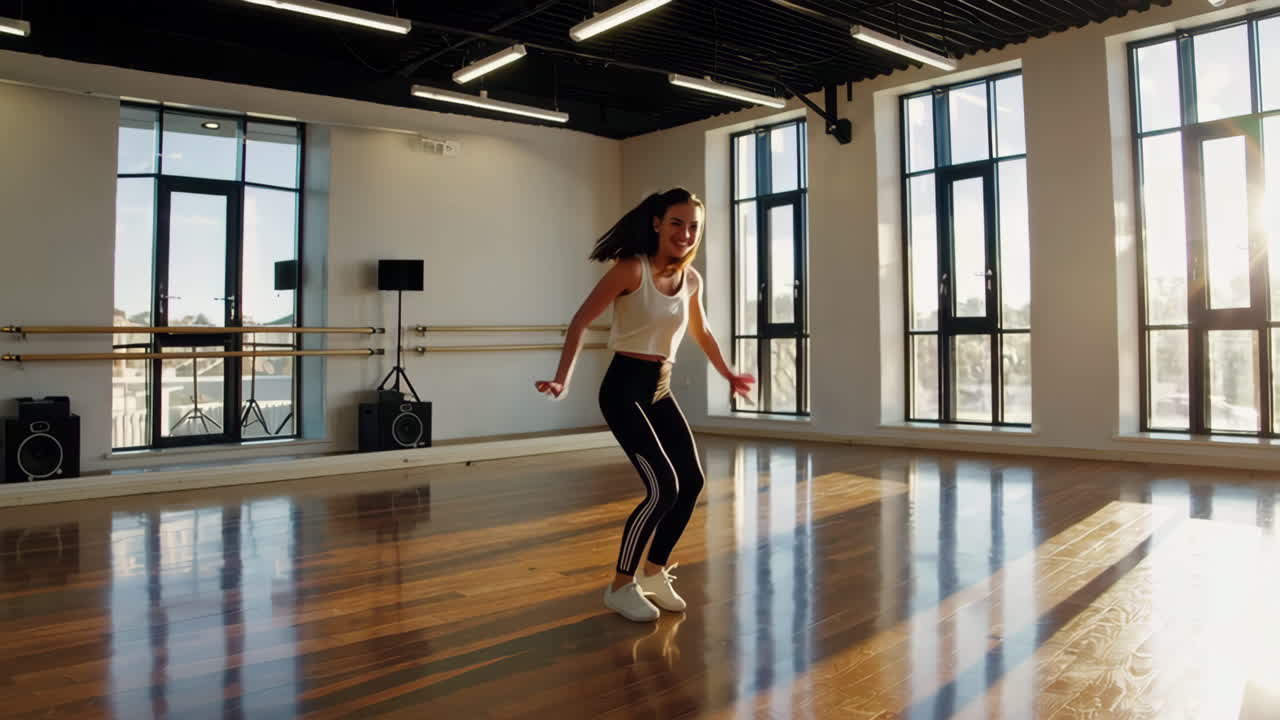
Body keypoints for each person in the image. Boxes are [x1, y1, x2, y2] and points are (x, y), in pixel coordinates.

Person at [535, 188, 755, 622]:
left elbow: (702, 330)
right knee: (663, 488)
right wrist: (563, 378)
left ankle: (654, 572)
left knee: (691, 481)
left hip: (660, 387)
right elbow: (581, 320)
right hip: (623, 389)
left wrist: (728, 373)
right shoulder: (631, 269)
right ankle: (620, 586)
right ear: (657, 223)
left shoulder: (691, 280)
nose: (686, 233)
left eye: (693, 226)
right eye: (677, 223)